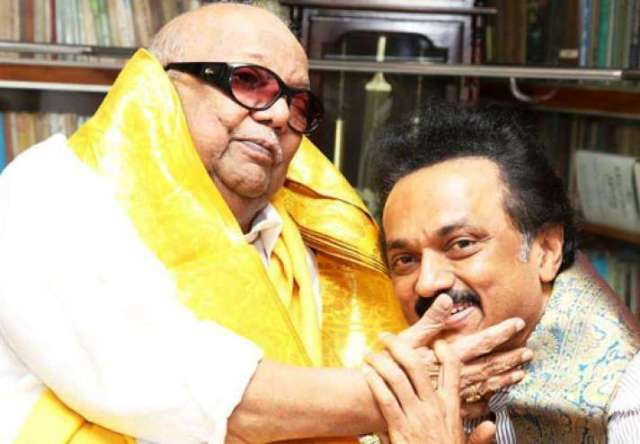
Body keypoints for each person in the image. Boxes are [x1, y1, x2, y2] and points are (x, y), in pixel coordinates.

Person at [0, 4, 530, 444]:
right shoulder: (51, 190)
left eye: (297, 103)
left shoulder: (310, 239)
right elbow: (204, 396)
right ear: (157, 90)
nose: (278, 115)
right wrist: (415, 390)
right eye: (249, 82)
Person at [372, 101, 640, 443]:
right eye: (405, 260)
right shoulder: (394, 379)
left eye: (462, 244)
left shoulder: (626, 393)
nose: (427, 283)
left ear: (546, 251)